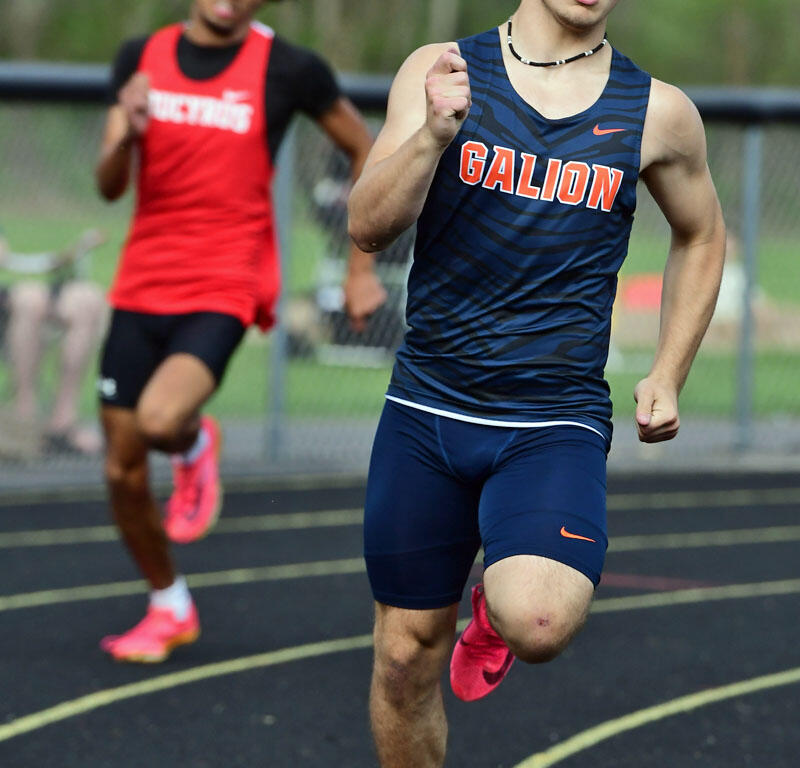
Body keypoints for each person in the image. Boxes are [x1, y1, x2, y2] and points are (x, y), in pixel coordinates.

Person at [348, 1, 725, 765]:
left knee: (540, 623)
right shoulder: (440, 70)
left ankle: (500, 598)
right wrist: (430, 138)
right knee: (402, 659)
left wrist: (668, 370)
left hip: (553, 421)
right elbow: (366, 226)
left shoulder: (659, 113)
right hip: (428, 409)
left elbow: (703, 233)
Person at [96, 0, 384, 663]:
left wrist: (359, 268)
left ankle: (193, 443)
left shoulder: (289, 68)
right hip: (141, 283)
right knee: (122, 470)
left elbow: (363, 146)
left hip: (226, 283)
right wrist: (123, 130)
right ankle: (168, 603)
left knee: (160, 421)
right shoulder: (139, 59)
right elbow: (110, 186)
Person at [0, 228, 106, 457]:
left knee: (87, 300)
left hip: (29, 285)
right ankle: (23, 418)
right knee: (30, 301)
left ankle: (62, 424)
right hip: (16, 299)